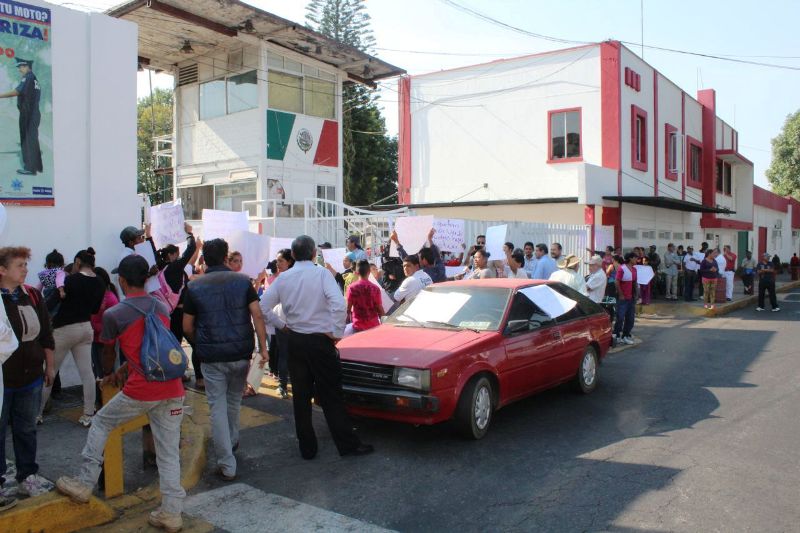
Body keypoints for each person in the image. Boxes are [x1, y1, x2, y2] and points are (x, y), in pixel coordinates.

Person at [56, 255, 186, 532]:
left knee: (101, 422)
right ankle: (172, 513)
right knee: (168, 453)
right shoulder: (161, 305)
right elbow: (154, 349)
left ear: (122, 281)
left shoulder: (115, 314)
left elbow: (108, 350)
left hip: (142, 389)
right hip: (173, 388)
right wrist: (127, 367)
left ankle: (84, 483)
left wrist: (109, 374)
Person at [261, 235, 373, 459]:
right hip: (320, 340)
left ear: (292, 255)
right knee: (331, 394)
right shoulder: (321, 273)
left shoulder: (283, 278)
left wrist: (283, 326)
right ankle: (347, 445)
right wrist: (335, 334)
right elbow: (338, 304)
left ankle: (307, 448)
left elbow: (263, 306)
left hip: (296, 339)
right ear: (314, 254)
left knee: (301, 396)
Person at [182, 239, 268, 481]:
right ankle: (231, 442)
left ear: (206, 260)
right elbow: (257, 315)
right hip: (240, 352)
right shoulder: (243, 282)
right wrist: (263, 348)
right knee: (233, 402)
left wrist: (200, 341)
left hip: (211, 356)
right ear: (224, 258)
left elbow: (186, 325)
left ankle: (226, 461)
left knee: (216, 407)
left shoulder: (195, 287)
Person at [0, 247, 54, 501]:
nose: (25, 269)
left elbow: (46, 334)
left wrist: (49, 366)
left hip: (30, 376)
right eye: (19, 265)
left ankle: (27, 475)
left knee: (26, 428)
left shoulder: (31, 295)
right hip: (2, 381)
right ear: (2, 270)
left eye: (25, 264)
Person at [40, 249, 105, 427]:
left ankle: (36, 413)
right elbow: (94, 310)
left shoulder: (71, 279)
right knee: (87, 374)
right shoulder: (99, 281)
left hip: (64, 329)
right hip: (86, 328)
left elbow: (51, 302)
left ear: (77, 262)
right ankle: (88, 414)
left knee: (49, 371)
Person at [157, 227, 199, 386]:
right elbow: (191, 251)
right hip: (180, 311)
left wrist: (149, 237)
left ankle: (175, 374)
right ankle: (196, 377)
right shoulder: (175, 268)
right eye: (176, 253)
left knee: (173, 344)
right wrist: (189, 234)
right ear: (171, 255)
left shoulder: (159, 269)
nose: (179, 256)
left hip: (167, 312)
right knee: (194, 343)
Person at [0, 58, 43, 175]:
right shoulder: (34, 79)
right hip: (33, 113)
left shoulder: (28, 77)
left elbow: (17, 92)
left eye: (20, 67)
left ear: (26, 66)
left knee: (27, 140)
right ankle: (37, 166)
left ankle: (30, 168)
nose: (19, 70)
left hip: (28, 113)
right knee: (32, 139)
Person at [266, 249, 294, 399]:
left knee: (291, 356)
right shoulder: (280, 279)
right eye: (277, 261)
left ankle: (285, 385)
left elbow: (264, 305)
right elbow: (265, 305)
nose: (277, 264)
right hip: (285, 324)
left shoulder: (284, 279)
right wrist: (279, 323)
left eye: (280, 261)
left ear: (289, 261)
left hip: (292, 325)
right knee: (284, 356)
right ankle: (283, 385)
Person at [89, 267, 119, 381]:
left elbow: (113, 325)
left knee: (106, 372)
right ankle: (99, 396)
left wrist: (92, 326)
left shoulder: (111, 299)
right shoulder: (98, 296)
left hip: (105, 342)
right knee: (97, 371)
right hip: (95, 339)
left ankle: (107, 397)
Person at [345, 260, 384, 336]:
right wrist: (384, 321)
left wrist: (346, 322)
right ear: (369, 272)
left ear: (356, 272)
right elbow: (379, 308)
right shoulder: (375, 288)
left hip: (358, 326)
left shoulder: (351, 288)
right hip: (373, 325)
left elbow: (348, 309)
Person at [613, 253, 638, 345]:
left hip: (631, 298)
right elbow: (616, 282)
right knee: (620, 318)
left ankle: (625, 336)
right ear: (630, 258)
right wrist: (621, 294)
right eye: (635, 257)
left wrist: (636, 294)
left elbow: (635, 283)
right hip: (623, 299)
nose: (636, 259)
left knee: (630, 319)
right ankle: (616, 335)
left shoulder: (635, 270)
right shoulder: (622, 268)